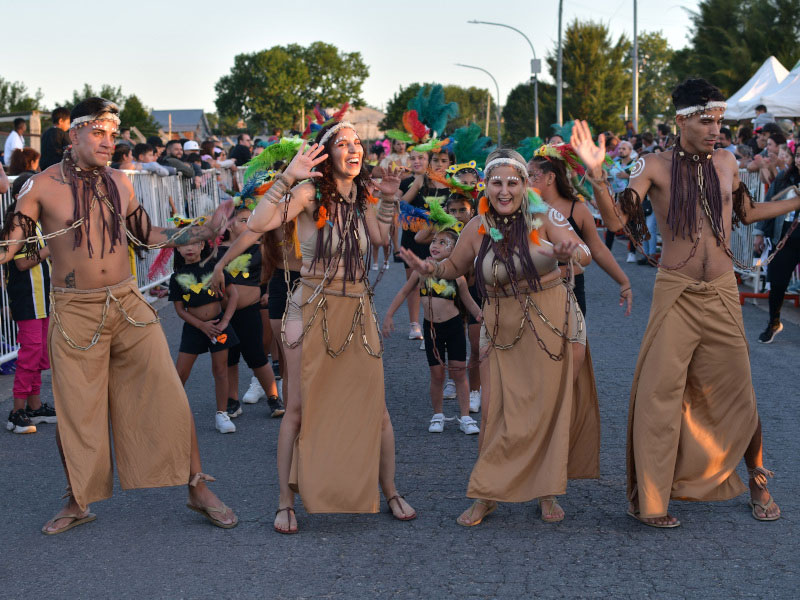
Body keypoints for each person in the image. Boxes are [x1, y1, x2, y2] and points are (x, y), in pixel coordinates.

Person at [0, 97, 237, 534]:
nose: (109, 142)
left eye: (112, 134)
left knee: (170, 394)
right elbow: (8, 249)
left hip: (128, 302)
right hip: (75, 310)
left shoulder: (119, 182)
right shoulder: (40, 187)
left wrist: (205, 228)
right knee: (77, 412)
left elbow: (148, 235)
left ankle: (197, 487)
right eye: (98, 133)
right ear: (74, 134)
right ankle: (77, 501)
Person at [572, 78, 800, 527]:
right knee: (659, 394)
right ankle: (652, 499)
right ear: (681, 120)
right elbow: (617, 221)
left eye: (718, 121)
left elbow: (747, 213)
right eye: (705, 121)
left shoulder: (728, 161)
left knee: (739, 391)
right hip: (675, 291)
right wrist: (597, 178)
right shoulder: (653, 165)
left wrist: (796, 201)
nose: (715, 129)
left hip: (722, 291)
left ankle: (757, 479)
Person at [211, 121, 416, 534]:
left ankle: (390, 490)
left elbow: (380, 237)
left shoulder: (361, 196)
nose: (353, 149)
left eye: (357, 143)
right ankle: (285, 502)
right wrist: (288, 177)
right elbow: (259, 223)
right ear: (326, 154)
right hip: (309, 307)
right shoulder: (307, 194)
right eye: (342, 143)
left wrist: (390, 199)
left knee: (377, 410)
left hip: (357, 307)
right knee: (299, 409)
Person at [399, 149, 597, 527]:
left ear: (524, 185)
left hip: (550, 318)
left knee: (545, 406)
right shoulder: (477, 226)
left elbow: (584, 252)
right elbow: (453, 266)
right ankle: (486, 493)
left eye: (512, 182)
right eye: (496, 183)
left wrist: (570, 252)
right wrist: (431, 267)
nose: (504, 191)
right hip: (500, 323)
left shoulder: (544, 215)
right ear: (485, 186)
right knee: (492, 412)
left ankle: (546, 490)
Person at [383, 210, 482, 435]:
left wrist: (481, 317)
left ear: (455, 251)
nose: (435, 245)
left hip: (454, 327)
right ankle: (438, 415)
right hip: (431, 330)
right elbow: (403, 292)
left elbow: (469, 301)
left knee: (459, 373)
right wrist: (388, 315)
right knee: (436, 375)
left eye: (443, 243)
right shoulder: (421, 272)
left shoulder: (457, 276)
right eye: (434, 241)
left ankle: (465, 417)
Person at [214, 203, 284, 419]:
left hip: (250, 311)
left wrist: (268, 292)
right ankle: (232, 400)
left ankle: (273, 397)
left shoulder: (259, 248)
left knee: (257, 356)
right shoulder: (217, 252)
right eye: (244, 220)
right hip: (224, 316)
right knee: (230, 358)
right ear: (229, 225)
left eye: (251, 220)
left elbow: (273, 270)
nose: (249, 224)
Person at [4, 173, 56, 435]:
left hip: (41, 298)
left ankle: (34, 406)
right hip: (27, 298)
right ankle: (16, 412)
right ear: (19, 196)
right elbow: (23, 262)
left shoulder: (35, 222)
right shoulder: (17, 223)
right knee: (30, 353)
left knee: (39, 354)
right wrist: (51, 247)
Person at [170, 238, 240, 433]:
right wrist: (201, 325)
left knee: (220, 370)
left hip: (218, 327)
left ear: (202, 246)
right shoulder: (177, 276)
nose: (189, 248)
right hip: (195, 328)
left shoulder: (214, 269)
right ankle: (171, 412)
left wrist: (225, 321)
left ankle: (222, 415)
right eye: (184, 244)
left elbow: (233, 295)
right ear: (177, 249)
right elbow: (180, 310)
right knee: (181, 372)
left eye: (194, 243)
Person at [399, 149, 453, 340]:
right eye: (436, 160)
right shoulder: (420, 181)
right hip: (414, 236)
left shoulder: (454, 183)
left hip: (441, 240)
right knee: (414, 283)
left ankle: (435, 327)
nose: (439, 164)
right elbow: (402, 203)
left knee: (439, 284)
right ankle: (415, 325)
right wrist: (422, 212)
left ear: (450, 163)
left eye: (444, 160)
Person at [753, 145, 800, 343]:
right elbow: (769, 205)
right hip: (785, 238)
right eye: (798, 155)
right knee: (778, 284)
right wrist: (760, 233)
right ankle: (774, 322)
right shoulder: (784, 178)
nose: (799, 159)